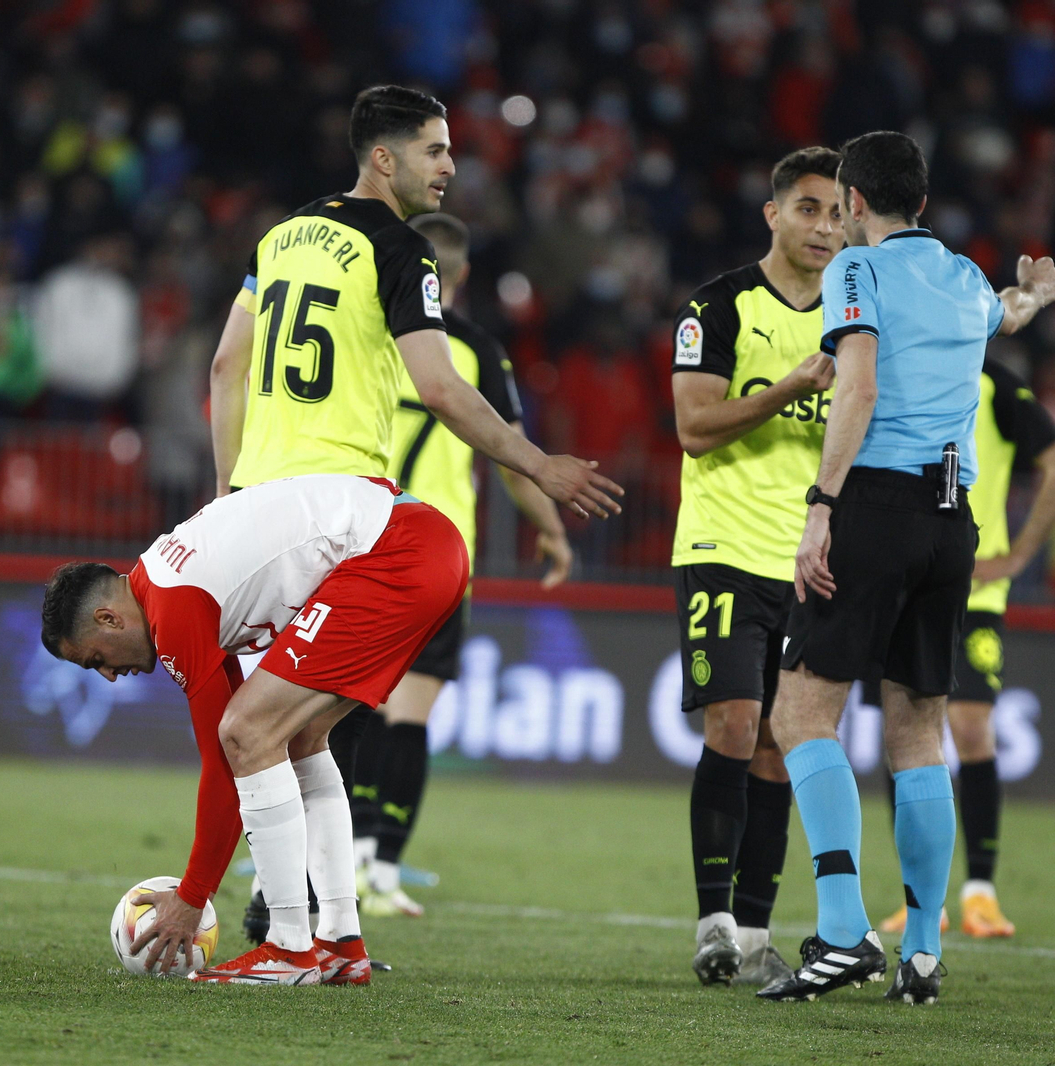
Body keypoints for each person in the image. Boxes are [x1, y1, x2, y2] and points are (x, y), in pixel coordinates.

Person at [209, 85, 622, 943]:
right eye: (435, 149)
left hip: (263, 504)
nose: (451, 165)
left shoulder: (281, 236)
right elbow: (438, 386)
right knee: (315, 722)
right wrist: (538, 462)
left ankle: (315, 925)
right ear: (384, 157)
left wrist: (229, 493)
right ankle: (291, 926)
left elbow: (224, 368)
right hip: (341, 515)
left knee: (303, 723)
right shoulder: (400, 251)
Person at [757, 131, 1055, 1005]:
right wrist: (1035, 294)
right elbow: (1005, 312)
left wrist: (822, 506)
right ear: (921, 203)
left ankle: (846, 930)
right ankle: (922, 950)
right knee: (918, 730)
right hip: (951, 520)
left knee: (803, 712)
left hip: (878, 508)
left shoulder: (859, 273)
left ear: (852, 201)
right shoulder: (963, 277)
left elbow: (857, 387)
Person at [42, 473, 469, 985]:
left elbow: (228, 760)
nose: (110, 675)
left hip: (397, 551)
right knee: (300, 738)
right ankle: (339, 942)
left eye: (95, 661)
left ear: (110, 620)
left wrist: (192, 897)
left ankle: (288, 947)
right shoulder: (164, 581)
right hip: (429, 544)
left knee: (249, 731)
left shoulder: (174, 605)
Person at [349, 213, 572, 919]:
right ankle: (379, 869)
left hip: (355, 537)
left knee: (343, 702)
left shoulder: (370, 335)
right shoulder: (473, 350)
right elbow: (510, 457)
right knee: (410, 714)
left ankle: (334, 853)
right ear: (464, 274)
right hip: (437, 553)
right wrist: (553, 532)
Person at [670, 146, 843, 986]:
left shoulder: (858, 316)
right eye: (808, 209)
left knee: (783, 746)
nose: (825, 227)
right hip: (724, 547)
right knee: (734, 727)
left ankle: (752, 931)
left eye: (838, 212)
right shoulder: (721, 306)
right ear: (773, 214)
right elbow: (694, 428)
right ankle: (710, 921)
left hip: (810, 562)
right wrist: (787, 387)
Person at [874, 359, 1055, 939]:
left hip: (975, 590)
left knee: (969, 729)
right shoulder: (884, 364)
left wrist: (1016, 557)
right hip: (901, 584)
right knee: (901, 731)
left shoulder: (991, 380)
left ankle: (980, 894)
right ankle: (920, 897)